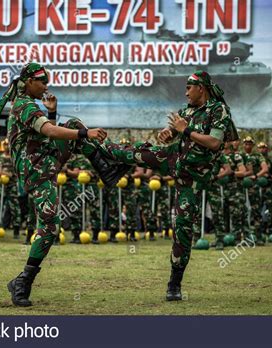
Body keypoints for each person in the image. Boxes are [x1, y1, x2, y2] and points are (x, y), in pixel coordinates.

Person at [0, 62, 129, 307]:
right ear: (28, 82)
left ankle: (107, 169)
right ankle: (22, 282)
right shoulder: (24, 105)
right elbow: (50, 132)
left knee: (74, 124)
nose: (46, 86)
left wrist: (53, 113)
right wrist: (87, 135)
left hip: (43, 159)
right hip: (36, 169)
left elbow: (45, 132)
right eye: (42, 81)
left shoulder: (30, 105)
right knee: (49, 226)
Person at [100, 70, 238, 301]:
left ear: (201, 88)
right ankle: (95, 148)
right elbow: (172, 133)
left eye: (189, 88)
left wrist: (186, 130)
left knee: (183, 229)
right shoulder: (186, 111)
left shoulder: (217, 110)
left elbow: (214, 143)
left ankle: (174, 284)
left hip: (192, 177)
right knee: (138, 153)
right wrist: (167, 134)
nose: (185, 92)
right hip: (174, 158)